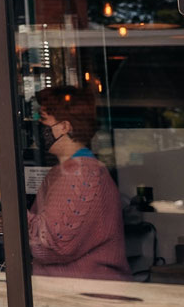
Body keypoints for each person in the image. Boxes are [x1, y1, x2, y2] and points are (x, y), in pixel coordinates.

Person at [27, 86, 129, 280]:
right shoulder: (64, 171)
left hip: (89, 298)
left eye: (44, 121)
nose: (38, 128)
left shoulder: (82, 174)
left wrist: (9, 202)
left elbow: (49, 247)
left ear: (65, 126)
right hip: (74, 295)